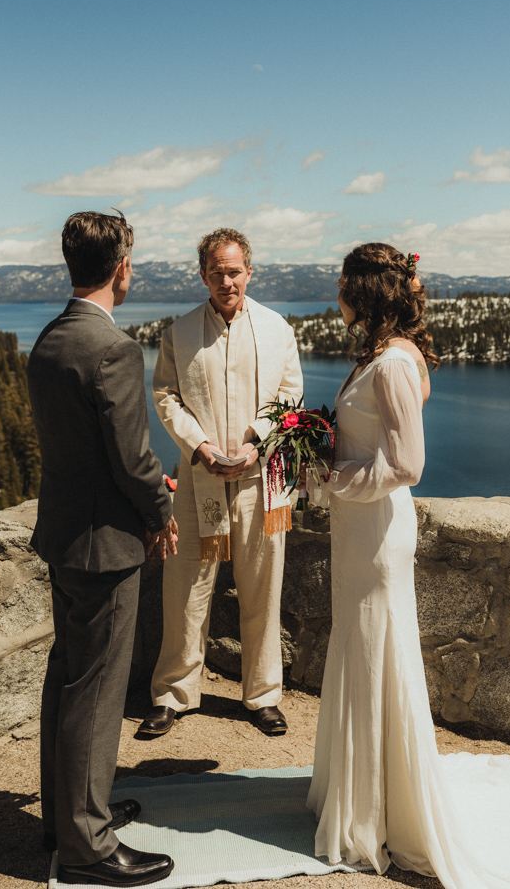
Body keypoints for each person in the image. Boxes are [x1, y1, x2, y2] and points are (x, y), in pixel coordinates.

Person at [306, 242, 510, 889]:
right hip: (359, 532)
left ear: (366, 292)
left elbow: (407, 465)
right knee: (360, 648)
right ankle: (360, 791)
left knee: (376, 652)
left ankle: (377, 812)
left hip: (375, 533)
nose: (336, 292)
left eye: (343, 283)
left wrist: (329, 474)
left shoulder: (394, 364)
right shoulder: (379, 356)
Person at [27, 211, 178, 888]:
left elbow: (88, 453)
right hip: (107, 544)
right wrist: (162, 507)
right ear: (120, 268)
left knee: (68, 679)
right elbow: (130, 457)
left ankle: (69, 815)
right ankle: (88, 845)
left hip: (64, 535)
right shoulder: (112, 349)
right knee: (95, 692)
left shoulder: (51, 340)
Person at [137, 228, 303, 737]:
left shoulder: (278, 328)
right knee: (185, 586)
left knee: (261, 587)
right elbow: (165, 395)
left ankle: (263, 696)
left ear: (249, 272)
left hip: (260, 479)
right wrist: (201, 448)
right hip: (198, 476)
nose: (226, 280)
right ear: (203, 274)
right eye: (217, 272)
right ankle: (173, 694)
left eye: (234, 271)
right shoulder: (180, 331)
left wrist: (256, 442)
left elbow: (291, 395)